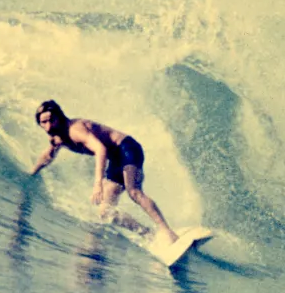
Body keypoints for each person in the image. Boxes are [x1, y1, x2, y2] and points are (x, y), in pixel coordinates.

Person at [30, 100, 180, 244]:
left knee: (133, 191)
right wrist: (32, 172)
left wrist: (98, 184)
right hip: (115, 158)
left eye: (51, 120)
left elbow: (100, 149)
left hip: (127, 149)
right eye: (44, 122)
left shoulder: (74, 130)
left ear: (59, 116)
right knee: (106, 212)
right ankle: (148, 234)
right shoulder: (56, 135)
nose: (48, 126)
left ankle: (167, 232)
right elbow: (48, 156)